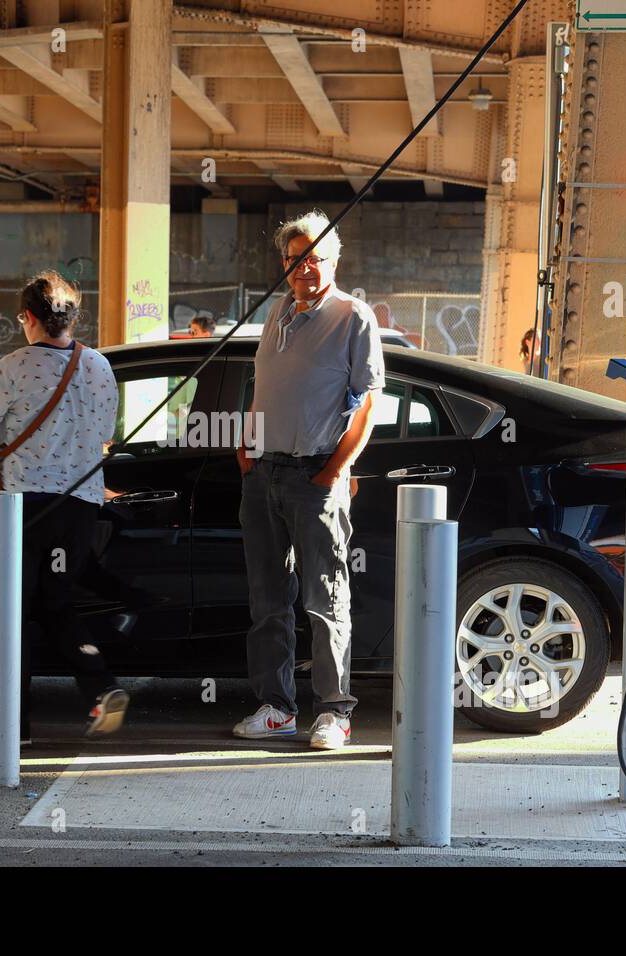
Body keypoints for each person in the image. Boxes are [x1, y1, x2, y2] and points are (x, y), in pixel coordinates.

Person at [0, 270, 126, 736]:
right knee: (56, 604)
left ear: (29, 317)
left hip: (23, 507)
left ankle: (14, 726)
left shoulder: (12, 367)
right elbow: (104, 434)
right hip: (81, 506)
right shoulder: (100, 366)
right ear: (71, 318)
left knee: (10, 611)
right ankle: (100, 686)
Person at [232, 210, 385, 750]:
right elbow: (264, 387)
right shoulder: (278, 312)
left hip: (314, 475)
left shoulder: (353, 316)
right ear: (285, 264)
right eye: (297, 259)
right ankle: (276, 708)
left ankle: (334, 713)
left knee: (325, 598)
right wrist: (246, 449)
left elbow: (367, 404)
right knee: (267, 600)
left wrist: (333, 471)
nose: (306, 268)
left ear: (334, 262)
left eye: (316, 258)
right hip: (264, 474)